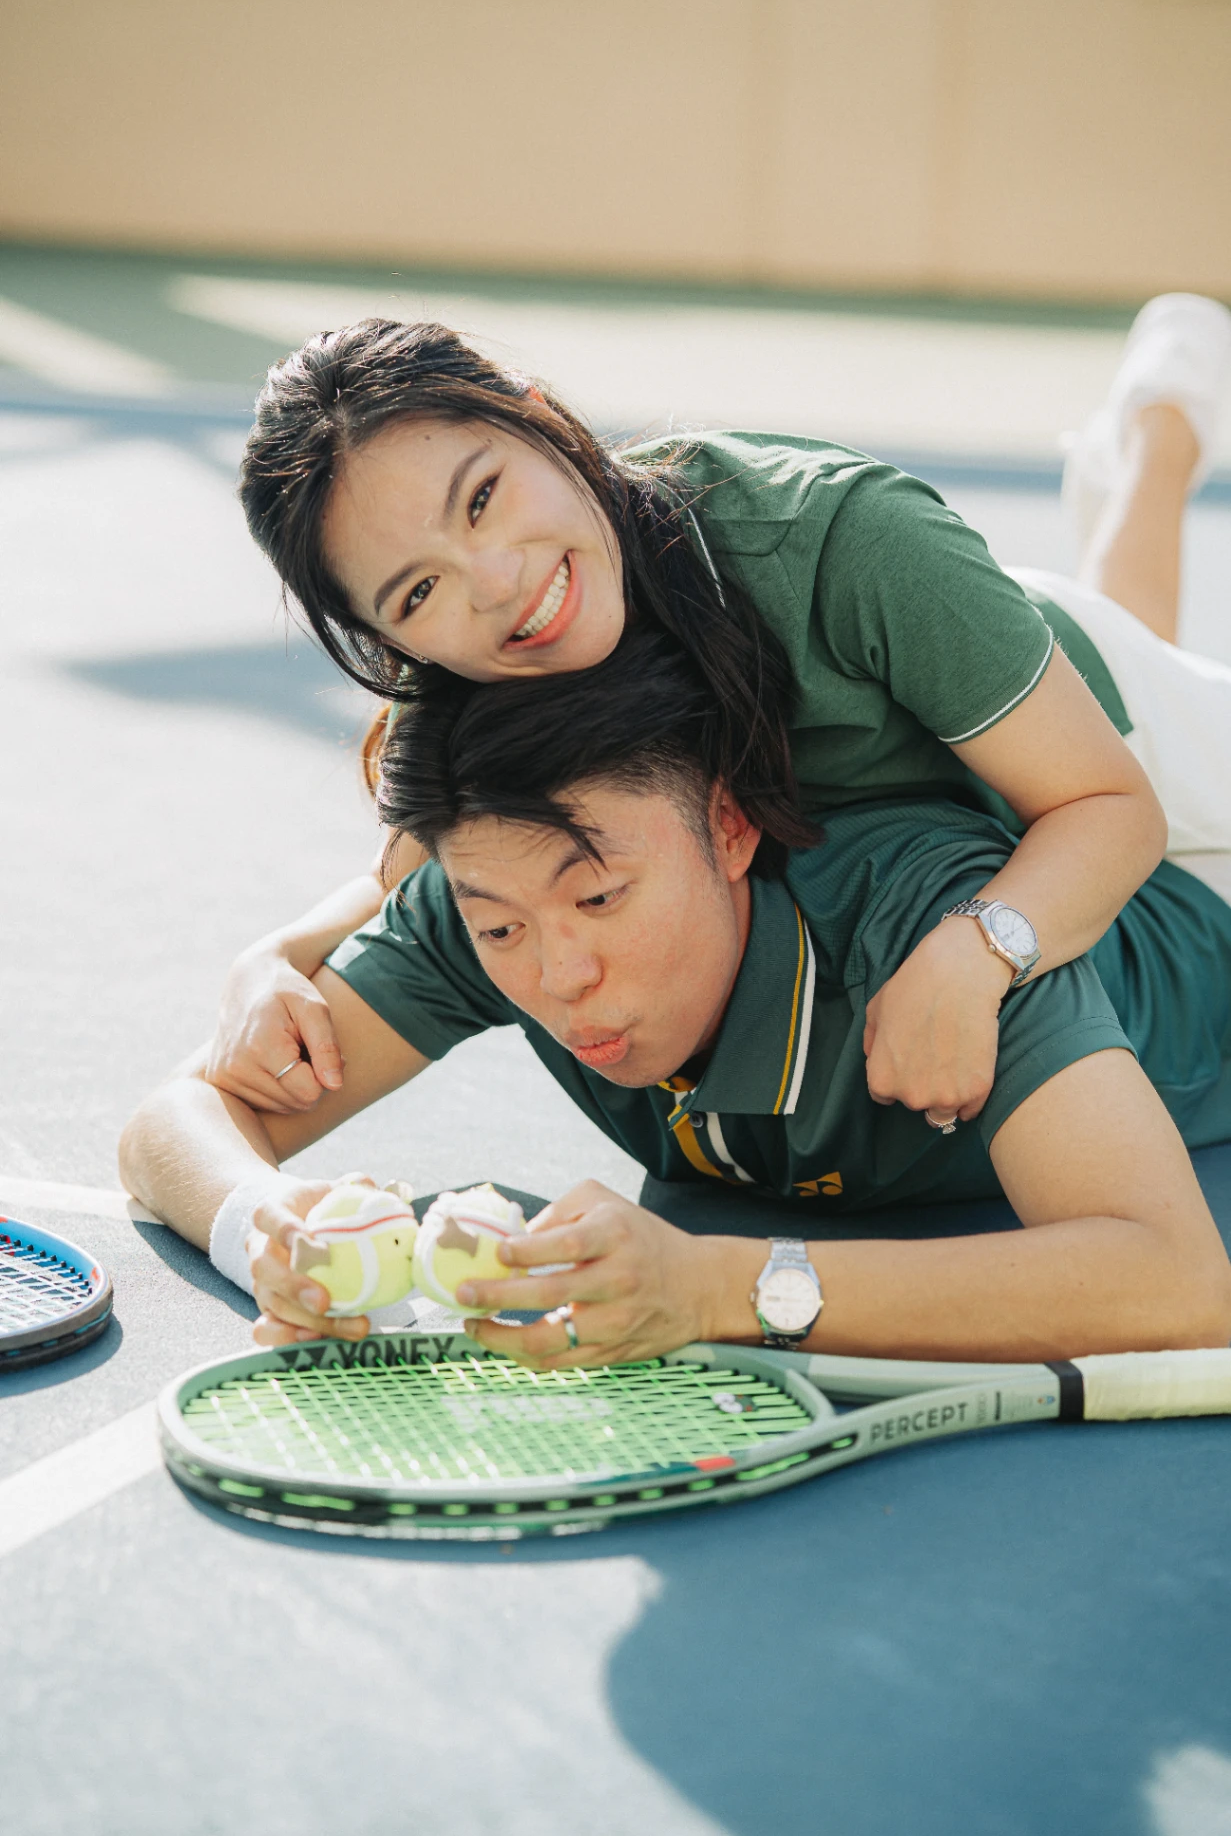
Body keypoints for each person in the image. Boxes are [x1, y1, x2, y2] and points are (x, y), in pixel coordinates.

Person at [206, 295, 1231, 1140]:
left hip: (1099, 712)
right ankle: (1153, 437)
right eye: (415, 592)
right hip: (985, 747)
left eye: (480, 498)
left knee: (1140, 675)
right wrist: (277, 956)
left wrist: (973, 949)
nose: (498, 583)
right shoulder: (472, 668)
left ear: (531, 411)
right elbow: (427, 871)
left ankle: (1160, 430)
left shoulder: (847, 541)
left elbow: (1110, 810)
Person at [118, 623, 1231, 1368]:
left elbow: (1177, 1279)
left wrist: (716, 1285)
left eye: (600, 897)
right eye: (501, 926)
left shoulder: (923, 924)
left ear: (731, 827)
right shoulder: (496, 898)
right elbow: (177, 1118)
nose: (557, 974)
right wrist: (257, 1224)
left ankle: (1153, 445)